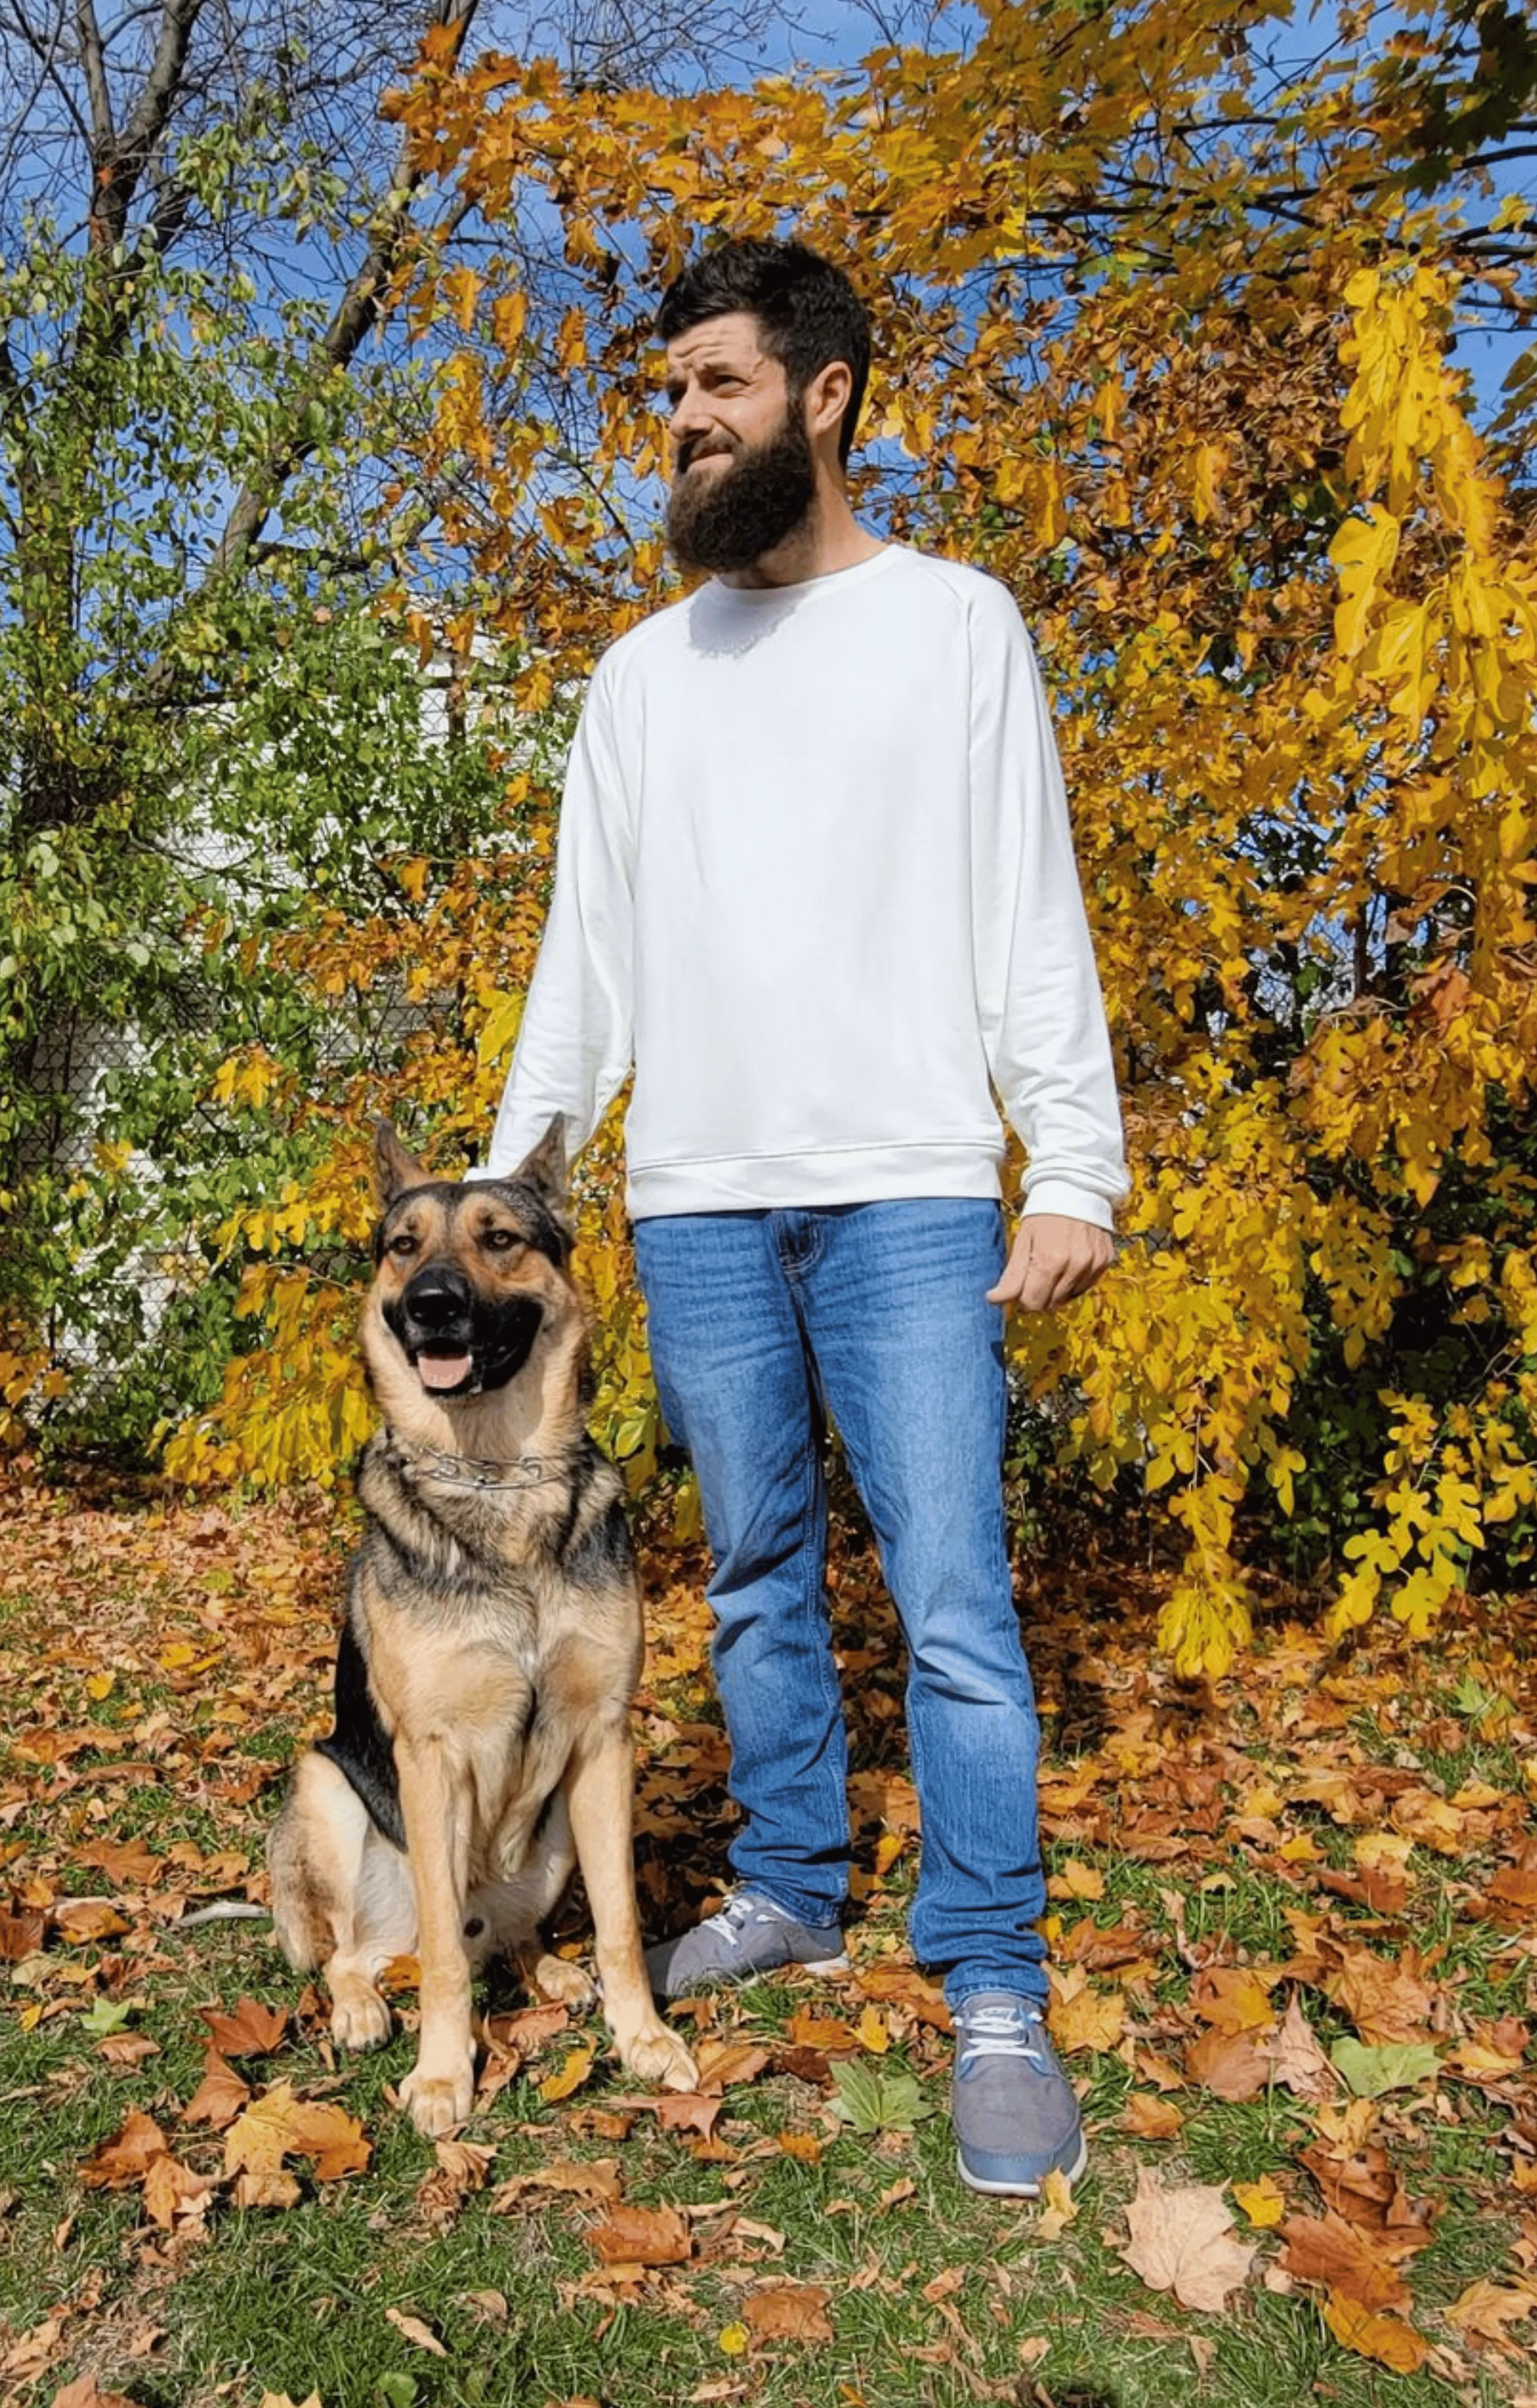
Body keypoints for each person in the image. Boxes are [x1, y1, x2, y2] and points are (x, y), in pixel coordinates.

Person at [474, 235, 1128, 2196]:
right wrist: (521, 1189)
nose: (683, 421)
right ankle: (788, 1883)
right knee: (755, 1578)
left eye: (721, 386)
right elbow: (581, 964)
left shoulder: (955, 628)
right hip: (698, 1204)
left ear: (826, 397)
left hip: (913, 1190)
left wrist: (1070, 1157)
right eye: (671, 391)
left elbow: (1031, 908)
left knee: (953, 1608)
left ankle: (993, 1977)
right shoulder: (637, 680)